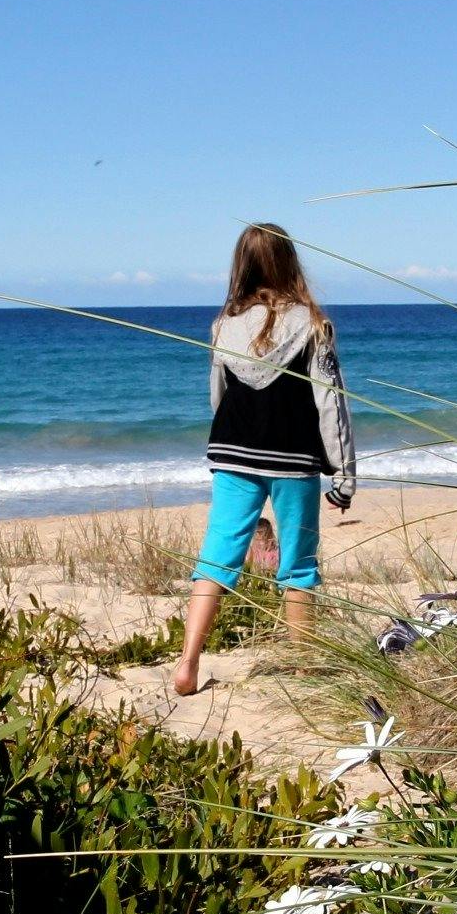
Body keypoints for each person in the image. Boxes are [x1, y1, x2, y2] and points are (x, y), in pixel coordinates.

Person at [170, 224, 356, 696]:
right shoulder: (314, 325)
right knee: (298, 565)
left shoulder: (224, 324)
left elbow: (218, 398)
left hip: (233, 453)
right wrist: (344, 474)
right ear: (289, 261)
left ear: (243, 265)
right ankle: (303, 667)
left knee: (216, 559)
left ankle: (188, 663)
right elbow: (330, 403)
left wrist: (239, 436)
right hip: (293, 459)